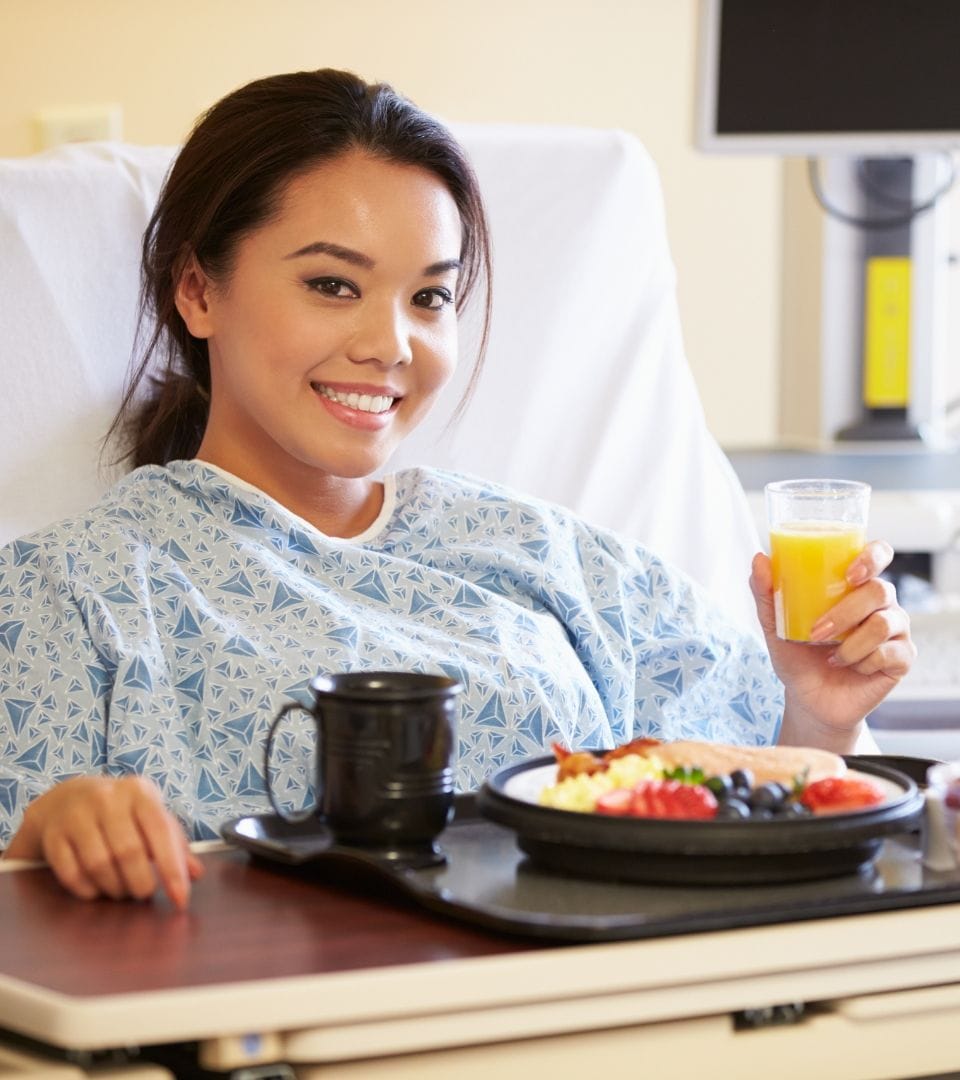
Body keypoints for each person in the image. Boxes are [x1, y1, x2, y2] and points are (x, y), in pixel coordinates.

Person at [0, 69, 914, 908]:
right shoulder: (76, 593)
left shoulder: (545, 560)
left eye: (429, 298)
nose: (391, 345)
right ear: (199, 291)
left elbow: (760, 809)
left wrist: (820, 715)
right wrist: (50, 839)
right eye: (332, 284)